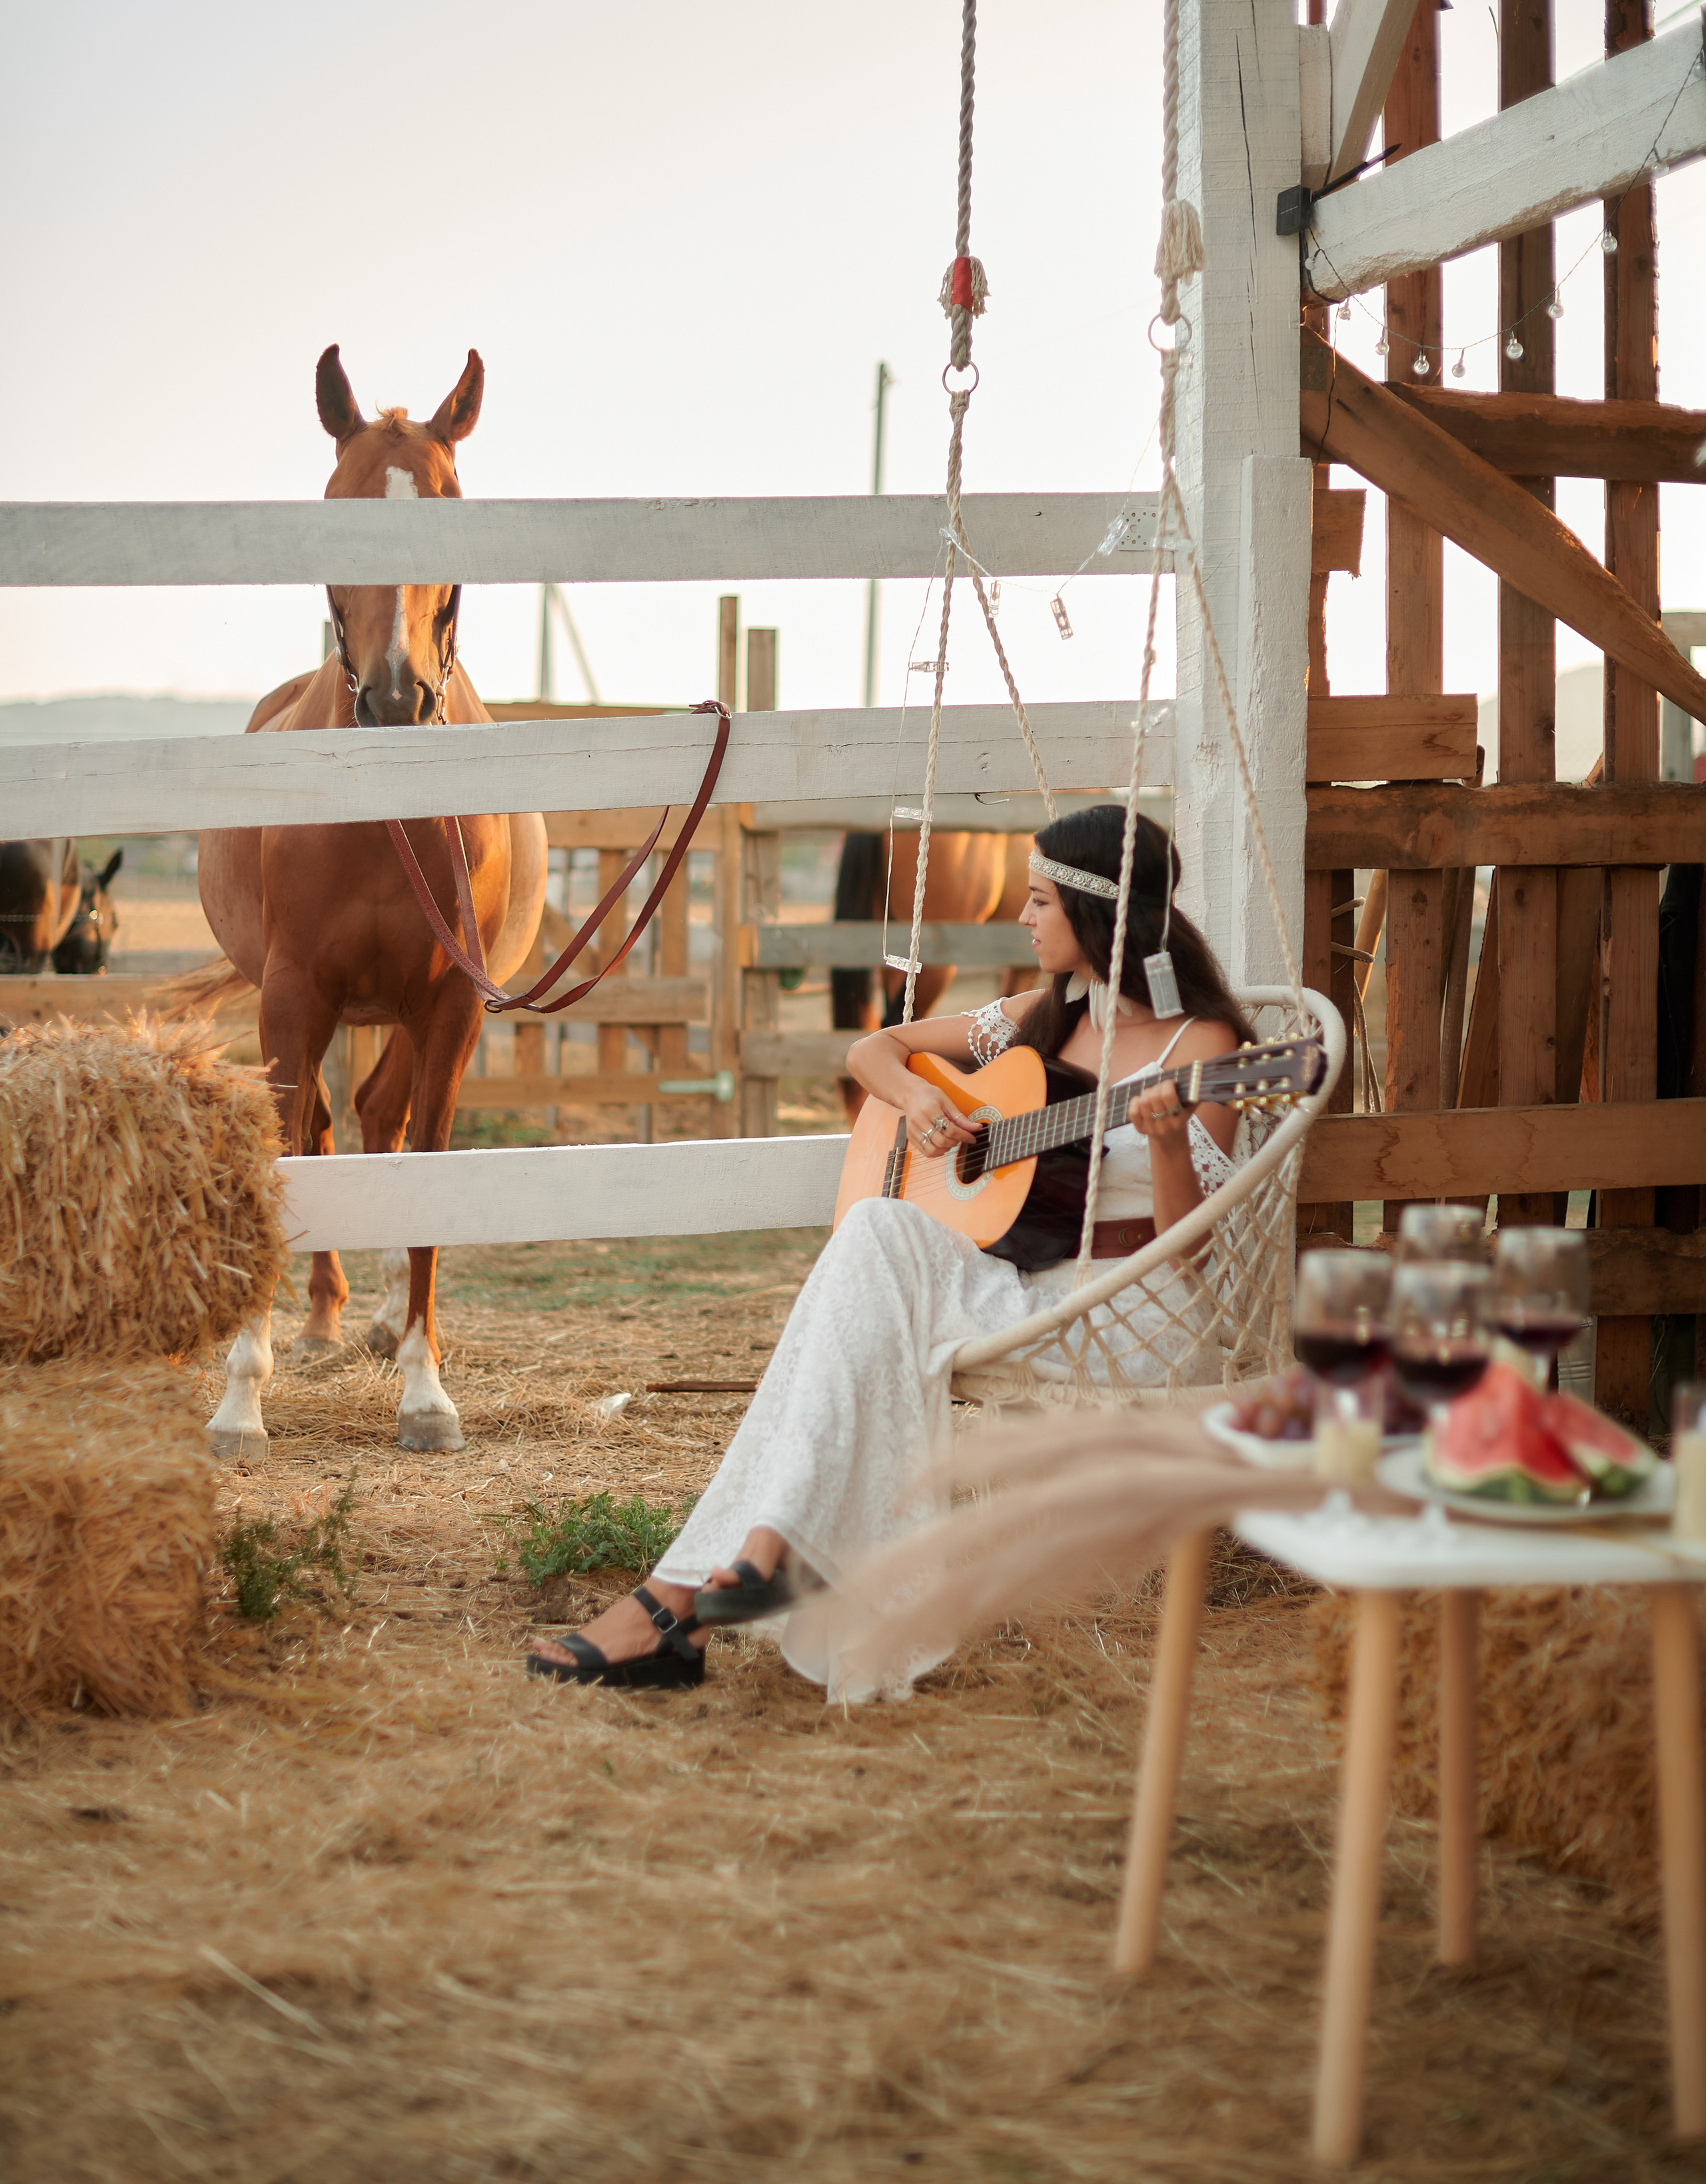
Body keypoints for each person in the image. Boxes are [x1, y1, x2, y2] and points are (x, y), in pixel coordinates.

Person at [527, 804, 1252, 1697]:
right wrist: (914, 1102)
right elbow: (876, 1048)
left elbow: (1193, 1256)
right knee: (873, 1228)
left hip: (1130, 1305)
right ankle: (755, 1554)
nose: (1021, 919)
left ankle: (703, 1582)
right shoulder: (1045, 1017)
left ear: (1097, 914)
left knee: (864, 1301)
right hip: (1032, 1282)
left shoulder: (1204, 1048)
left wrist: (1172, 1143)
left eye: (1038, 902)